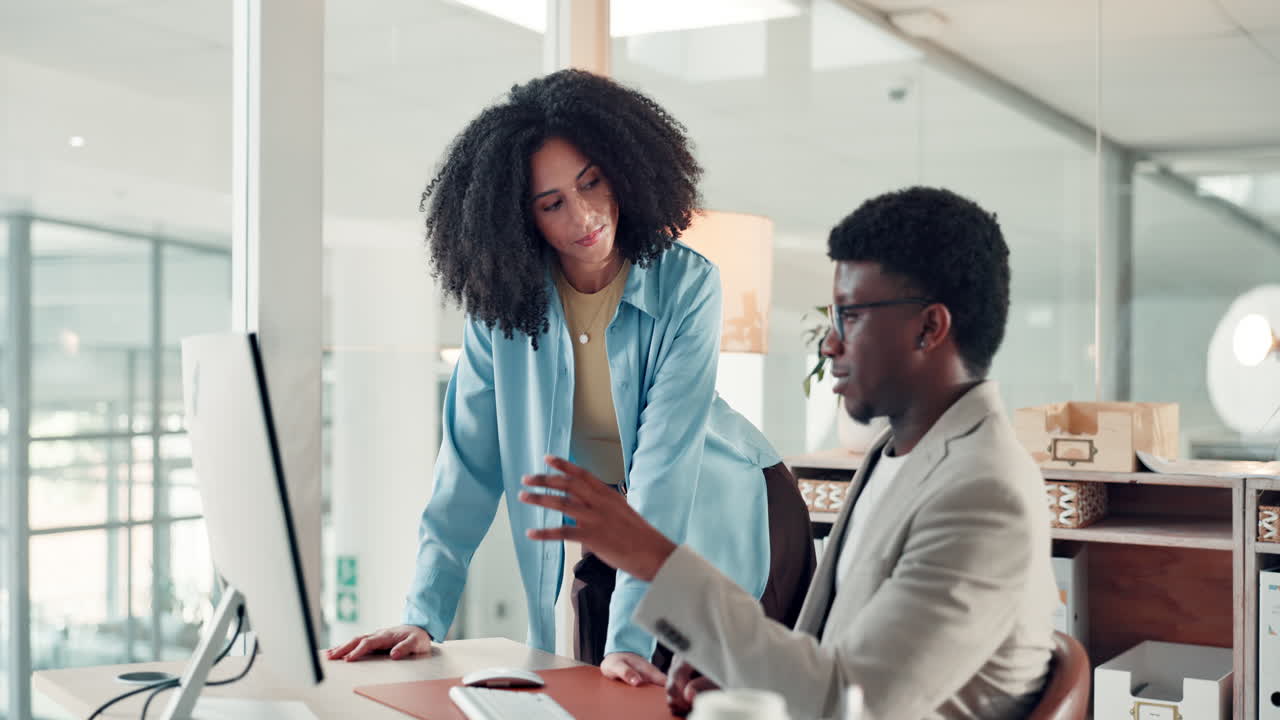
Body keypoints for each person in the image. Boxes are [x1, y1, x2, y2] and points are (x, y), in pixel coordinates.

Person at [325, 69, 815, 687]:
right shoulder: (500, 308)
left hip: (729, 513)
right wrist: (423, 616)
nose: (583, 216)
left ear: (622, 170)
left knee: (693, 696)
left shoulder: (688, 285)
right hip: (610, 523)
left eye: (592, 183)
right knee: (593, 690)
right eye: (552, 203)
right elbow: (468, 467)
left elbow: (666, 467)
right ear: (519, 218)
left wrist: (629, 638)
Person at [519, 187, 1058, 720]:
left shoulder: (983, 495)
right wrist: (747, 679)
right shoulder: (898, 456)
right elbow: (838, 658)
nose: (830, 344)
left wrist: (653, 560)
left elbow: (851, 701)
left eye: (850, 316)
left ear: (929, 328)